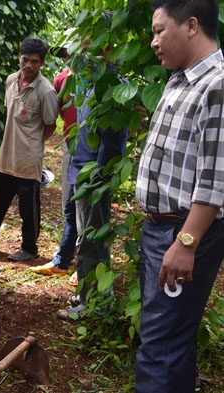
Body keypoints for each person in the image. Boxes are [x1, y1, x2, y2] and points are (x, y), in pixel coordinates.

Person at [135, 0, 224, 391]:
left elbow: (216, 174)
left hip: (182, 233)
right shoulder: (179, 79)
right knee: (170, 341)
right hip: (162, 231)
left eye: (158, 30)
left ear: (191, 25)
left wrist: (186, 241)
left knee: (159, 346)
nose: (154, 41)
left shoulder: (217, 84)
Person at [56, 51, 128, 320]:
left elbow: (111, 144)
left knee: (91, 240)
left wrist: (97, 181)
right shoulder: (92, 82)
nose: (82, 55)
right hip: (82, 172)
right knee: (86, 237)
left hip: (93, 179)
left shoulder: (111, 87)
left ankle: (94, 305)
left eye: (90, 48)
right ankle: (90, 296)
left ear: (108, 50)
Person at [0, 37, 59, 262]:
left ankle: (29, 247)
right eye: (25, 59)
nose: (28, 65)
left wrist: (33, 144)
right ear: (19, 58)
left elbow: (50, 124)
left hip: (28, 159)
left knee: (28, 209)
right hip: (6, 155)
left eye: (34, 61)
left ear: (42, 62)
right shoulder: (11, 80)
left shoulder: (45, 91)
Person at [30, 38, 79, 278]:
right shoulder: (62, 79)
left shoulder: (101, 81)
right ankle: (66, 259)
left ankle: (84, 262)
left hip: (94, 150)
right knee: (70, 204)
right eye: (65, 54)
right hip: (72, 145)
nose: (68, 58)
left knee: (89, 207)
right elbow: (60, 112)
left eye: (73, 52)